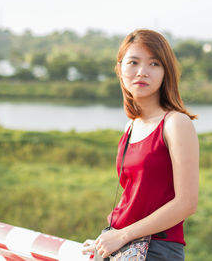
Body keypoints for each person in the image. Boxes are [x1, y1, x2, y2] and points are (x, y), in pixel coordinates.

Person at [82, 29, 199, 260]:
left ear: (166, 72)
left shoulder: (175, 123)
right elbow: (133, 197)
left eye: (154, 64)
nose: (142, 72)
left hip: (157, 250)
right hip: (122, 247)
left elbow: (187, 203)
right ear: (120, 69)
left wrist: (122, 235)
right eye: (133, 62)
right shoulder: (131, 126)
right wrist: (107, 238)